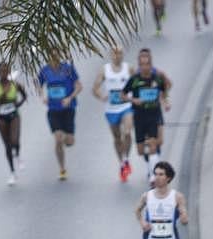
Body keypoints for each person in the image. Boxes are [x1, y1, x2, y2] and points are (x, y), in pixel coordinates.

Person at [122, 49, 171, 184]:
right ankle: (151, 165)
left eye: (147, 64)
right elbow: (123, 95)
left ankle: (152, 175)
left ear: (150, 65)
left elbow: (165, 89)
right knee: (140, 150)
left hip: (154, 114)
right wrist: (133, 100)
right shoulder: (134, 79)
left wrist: (165, 102)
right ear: (139, 65)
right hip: (139, 116)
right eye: (142, 64)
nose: (144, 67)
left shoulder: (157, 78)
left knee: (153, 143)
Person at [92, 47, 134, 182]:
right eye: (115, 53)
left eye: (120, 53)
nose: (118, 55)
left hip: (126, 106)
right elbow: (95, 88)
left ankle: (126, 159)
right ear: (111, 55)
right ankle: (121, 163)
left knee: (127, 133)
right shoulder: (105, 70)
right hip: (111, 109)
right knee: (117, 138)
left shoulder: (129, 68)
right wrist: (102, 97)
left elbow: (138, 83)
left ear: (123, 54)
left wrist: (133, 97)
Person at [37, 54, 82, 180]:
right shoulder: (45, 71)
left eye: (55, 55)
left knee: (69, 142)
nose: (53, 58)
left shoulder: (68, 69)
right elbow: (38, 84)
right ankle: (62, 169)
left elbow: (79, 86)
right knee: (58, 139)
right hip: (53, 110)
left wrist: (69, 98)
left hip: (68, 109)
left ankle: (66, 140)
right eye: (51, 55)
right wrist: (42, 96)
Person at [0, 62, 28, 185]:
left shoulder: (16, 85)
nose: (4, 73)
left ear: (9, 71)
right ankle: (12, 172)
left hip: (14, 115)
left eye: (6, 70)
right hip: (1, 117)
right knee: (7, 145)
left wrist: (18, 104)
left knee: (15, 140)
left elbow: (25, 96)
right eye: (1, 71)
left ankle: (18, 154)